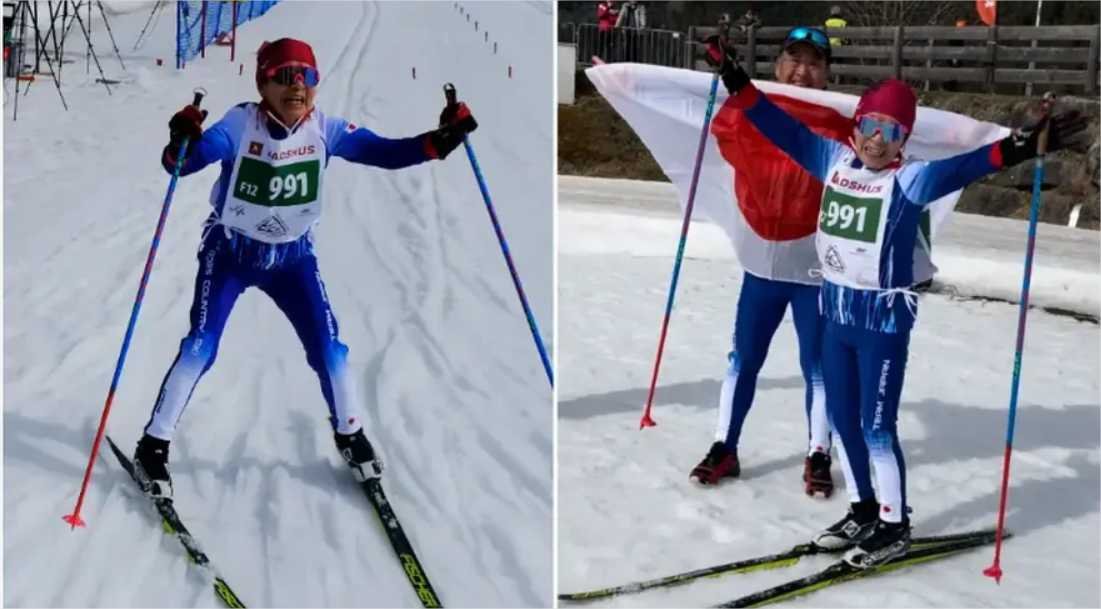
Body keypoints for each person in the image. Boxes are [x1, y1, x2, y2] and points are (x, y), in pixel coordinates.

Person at [708, 43, 1087, 567]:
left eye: (893, 132)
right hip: (836, 317)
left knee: (877, 429)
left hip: (882, 325)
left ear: (904, 140)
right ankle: (864, 509)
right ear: (856, 126)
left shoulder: (909, 179)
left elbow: (970, 166)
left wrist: (1018, 147)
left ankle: (894, 523)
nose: (878, 141)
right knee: (842, 420)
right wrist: (735, 79)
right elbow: (778, 127)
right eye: (871, 126)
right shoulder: (832, 159)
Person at [132, 38, 478, 500]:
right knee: (200, 345)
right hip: (231, 252)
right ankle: (153, 445)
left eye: (307, 76)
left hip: (292, 259)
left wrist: (442, 141)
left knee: (329, 348)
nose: (296, 86)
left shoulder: (326, 129)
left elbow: (386, 152)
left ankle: (350, 434)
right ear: (263, 83)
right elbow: (184, 165)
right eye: (283, 76)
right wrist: (181, 140)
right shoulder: (240, 123)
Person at [690, 27, 843, 498]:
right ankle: (724, 447)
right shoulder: (749, 112)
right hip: (761, 269)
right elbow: (710, 127)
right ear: (777, 67)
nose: (802, 70)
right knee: (744, 360)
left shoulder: (841, 128)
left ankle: (819, 453)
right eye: (794, 59)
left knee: (818, 365)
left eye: (814, 63)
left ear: (827, 75)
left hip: (814, 272)